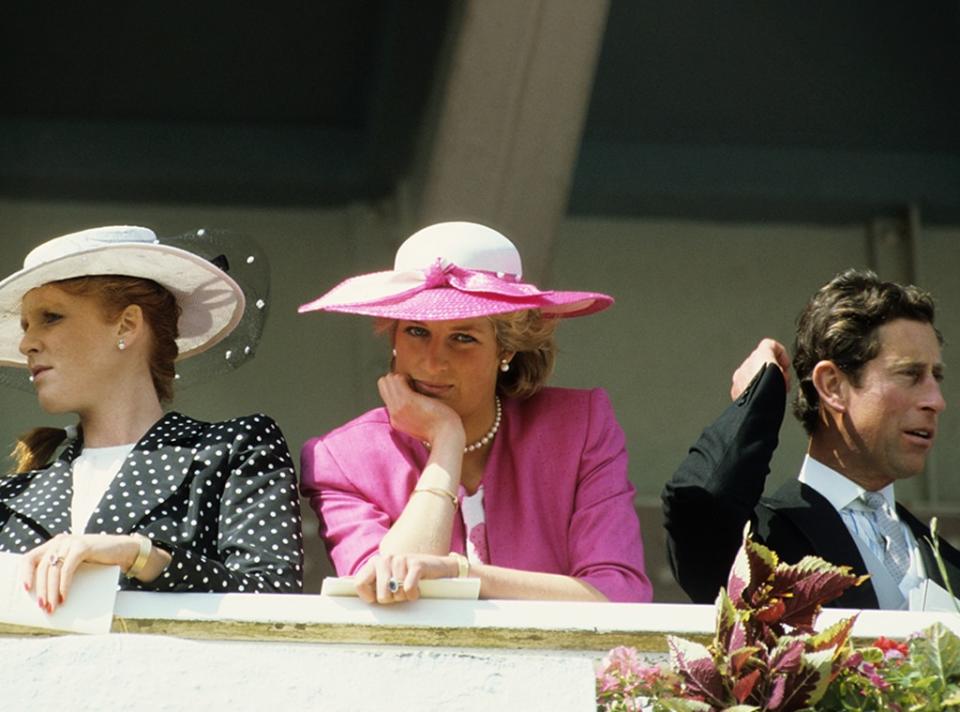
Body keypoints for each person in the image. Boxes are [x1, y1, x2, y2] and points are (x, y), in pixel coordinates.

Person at [299, 221, 651, 604]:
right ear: (394, 336)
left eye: (463, 338)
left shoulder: (580, 428)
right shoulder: (340, 459)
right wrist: (447, 439)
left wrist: (462, 573)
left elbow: (619, 594)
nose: (433, 363)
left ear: (507, 349)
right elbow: (390, 590)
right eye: (417, 331)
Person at [0, 225, 303, 613]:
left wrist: (140, 555)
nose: (27, 343)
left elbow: (273, 599)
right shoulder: (14, 495)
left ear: (126, 325)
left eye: (51, 317)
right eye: (26, 326)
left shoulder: (232, 449)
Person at [662, 268, 959, 609]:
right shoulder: (761, 540)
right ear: (832, 385)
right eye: (910, 374)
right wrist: (761, 396)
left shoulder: (947, 562)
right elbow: (700, 503)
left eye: (936, 377)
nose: (936, 401)